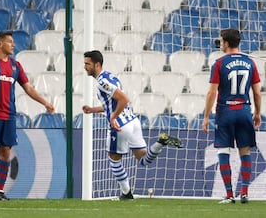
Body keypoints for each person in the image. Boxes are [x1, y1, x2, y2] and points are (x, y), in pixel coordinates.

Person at [82, 50, 183, 200]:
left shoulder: (102, 83)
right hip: (133, 121)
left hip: (120, 126)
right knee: (143, 159)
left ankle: (126, 193)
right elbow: (113, 104)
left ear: (97, 65)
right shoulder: (111, 77)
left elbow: (124, 99)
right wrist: (93, 109)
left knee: (113, 159)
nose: (85, 67)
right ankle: (161, 142)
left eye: (87, 64)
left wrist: (113, 118)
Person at [0, 31, 54, 201]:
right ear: (0, 44)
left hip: (9, 115)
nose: (13, 45)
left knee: (5, 152)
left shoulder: (15, 66)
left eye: (13, 42)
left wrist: (45, 103)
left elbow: (28, 88)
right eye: (10, 42)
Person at [202, 28, 261, 204]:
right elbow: (257, 93)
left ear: (226, 43)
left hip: (226, 111)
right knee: (245, 152)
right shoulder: (250, 62)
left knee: (223, 151)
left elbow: (211, 93)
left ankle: (229, 195)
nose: (220, 43)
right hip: (244, 110)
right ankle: (244, 192)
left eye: (221, 41)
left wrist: (206, 116)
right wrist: (257, 113)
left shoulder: (219, 63)